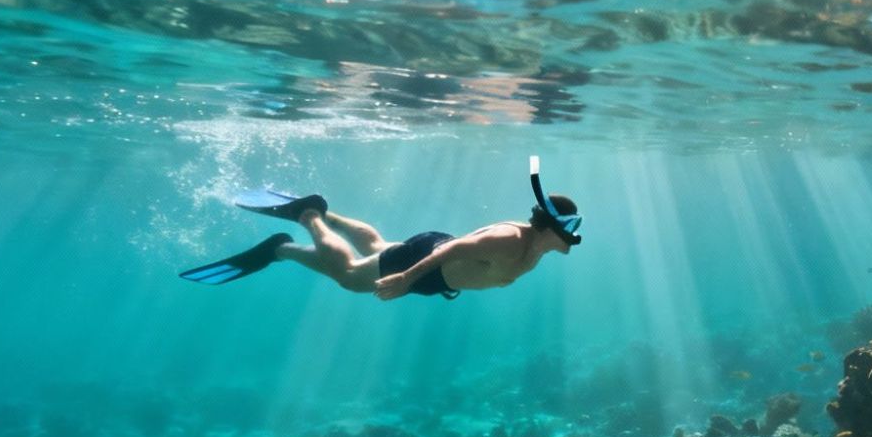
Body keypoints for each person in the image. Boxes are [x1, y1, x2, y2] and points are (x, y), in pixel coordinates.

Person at [179, 157, 580, 300]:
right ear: (551, 226)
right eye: (571, 226)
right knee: (352, 277)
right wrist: (405, 278)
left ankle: (323, 214)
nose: (575, 236)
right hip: (429, 262)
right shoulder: (510, 240)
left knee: (377, 245)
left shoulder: (533, 246)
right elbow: (454, 252)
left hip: (431, 261)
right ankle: (298, 229)